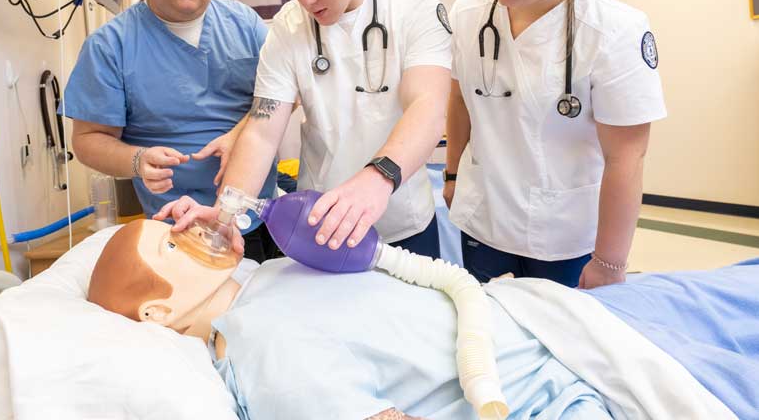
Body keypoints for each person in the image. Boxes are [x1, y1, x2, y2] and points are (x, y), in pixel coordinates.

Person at [88, 219, 758, 420]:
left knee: (734, 285)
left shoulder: (272, 272)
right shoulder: (267, 370)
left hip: (559, 316)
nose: (189, 231)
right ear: (157, 309)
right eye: (168, 245)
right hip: (565, 374)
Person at [159, 0, 453, 259]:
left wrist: (377, 179)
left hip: (400, 218)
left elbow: (427, 107)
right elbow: (264, 132)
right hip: (319, 220)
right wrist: (226, 217)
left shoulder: (414, 6)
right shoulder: (288, 26)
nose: (307, 0)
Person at [443, 0, 667, 288]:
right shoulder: (468, 12)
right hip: (483, 215)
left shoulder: (615, 29)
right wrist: (452, 173)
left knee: (563, 339)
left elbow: (627, 157)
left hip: (565, 233)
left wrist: (610, 262)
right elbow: (459, 96)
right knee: (489, 333)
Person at [65, 0, 280, 262]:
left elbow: (287, 94)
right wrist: (137, 160)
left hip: (256, 214)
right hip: (176, 228)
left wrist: (238, 132)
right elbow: (87, 141)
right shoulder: (110, 46)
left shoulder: (244, 23)